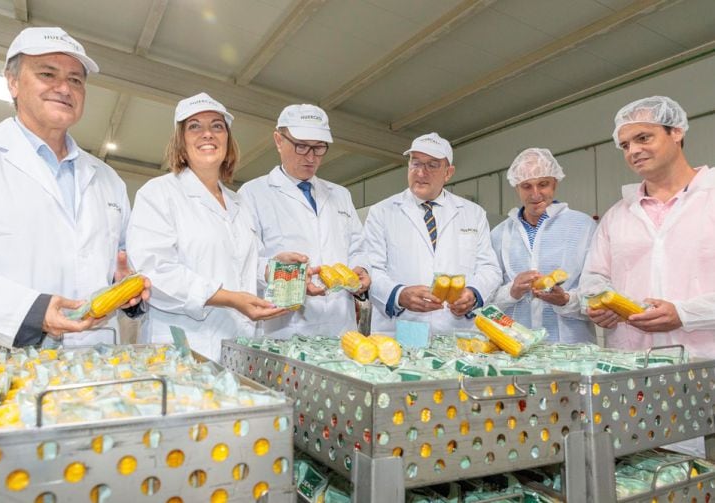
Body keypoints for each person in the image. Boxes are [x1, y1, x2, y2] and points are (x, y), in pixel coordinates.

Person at [0, 27, 148, 349]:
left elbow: (116, 267)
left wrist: (124, 291)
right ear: (12, 82)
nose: (64, 88)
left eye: (76, 80)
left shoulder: (108, 180)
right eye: (47, 73)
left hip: (91, 361)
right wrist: (31, 310)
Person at [127, 92, 296, 360]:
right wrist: (228, 298)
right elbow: (154, 272)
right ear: (180, 142)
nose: (207, 134)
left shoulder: (238, 203)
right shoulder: (158, 193)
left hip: (240, 343)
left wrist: (276, 267)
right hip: (184, 345)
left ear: (228, 141)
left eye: (217, 126)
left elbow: (245, 267)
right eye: (194, 126)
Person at [582, 95, 715, 358]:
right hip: (634, 367)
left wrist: (686, 314)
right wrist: (602, 304)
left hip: (705, 363)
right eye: (625, 145)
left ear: (676, 132)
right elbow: (593, 278)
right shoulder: (617, 216)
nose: (633, 151)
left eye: (643, 138)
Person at [238, 104, 370, 339]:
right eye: (301, 147)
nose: (311, 158)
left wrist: (361, 270)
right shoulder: (252, 193)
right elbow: (244, 262)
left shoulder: (340, 194)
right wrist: (279, 270)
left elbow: (358, 248)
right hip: (284, 327)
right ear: (279, 140)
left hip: (340, 325)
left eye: (319, 148)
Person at [364, 132, 501, 334]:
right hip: (402, 328)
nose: (421, 172)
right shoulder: (382, 212)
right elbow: (370, 268)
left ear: (448, 172)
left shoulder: (473, 214)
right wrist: (398, 294)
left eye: (432, 165)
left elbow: (489, 268)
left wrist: (474, 294)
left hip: (456, 329)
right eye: (416, 163)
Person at [489, 148, 596, 343]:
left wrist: (565, 300)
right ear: (517, 188)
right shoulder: (500, 234)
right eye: (526, 186)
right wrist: (512, 291)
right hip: (515, 347)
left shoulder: (582, 226)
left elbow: (597, 290)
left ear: (555, 183)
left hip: (572, 350)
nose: (535, 193)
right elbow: (487, 298)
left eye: (543, 184)